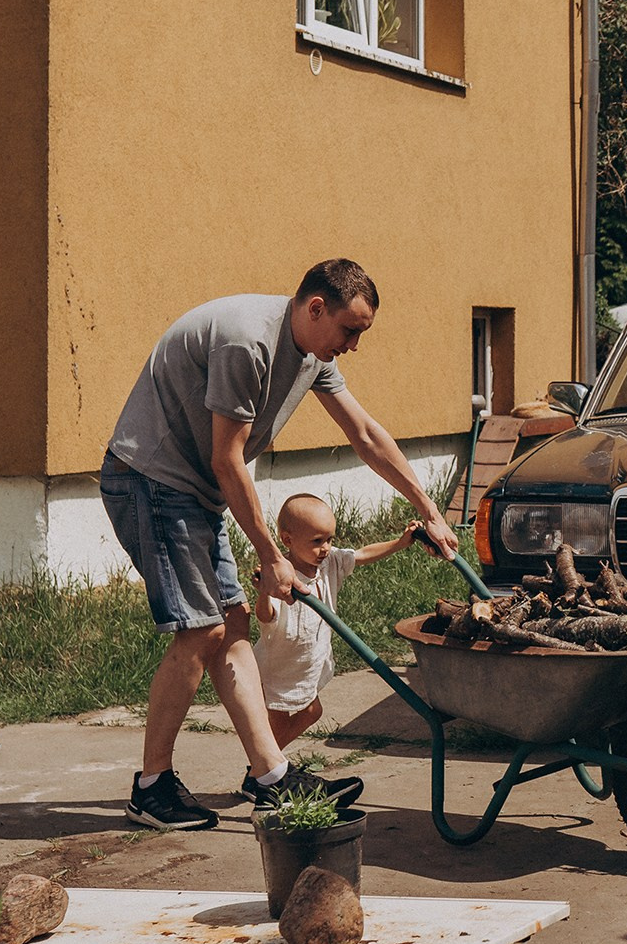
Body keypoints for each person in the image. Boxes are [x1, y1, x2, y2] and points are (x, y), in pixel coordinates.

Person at [101, 259, 459, 830]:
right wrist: (271, 557)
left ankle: (270, 776)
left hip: (194, 491)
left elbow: (364, 433)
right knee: (202, 629)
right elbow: (227, 458)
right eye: (350, 330)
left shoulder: (312, 353)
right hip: (152, 478)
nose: (353, 345)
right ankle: (151, 786)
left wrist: (429, 511)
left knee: (232, 625)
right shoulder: (249, 342)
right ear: (315, 308)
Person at [253, 493, 422, 750]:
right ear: (287, 539)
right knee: (278, 726)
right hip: (278, 668)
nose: (326, 548)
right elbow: (265, 617)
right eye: (317, 541)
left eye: (330, 539)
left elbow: (362, 554)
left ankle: (265, 766)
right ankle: (264, 770)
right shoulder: (280, 576)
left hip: (307, 663)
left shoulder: (329, 563)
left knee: (311, 712)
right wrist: (265, 591)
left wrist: (400, 543)